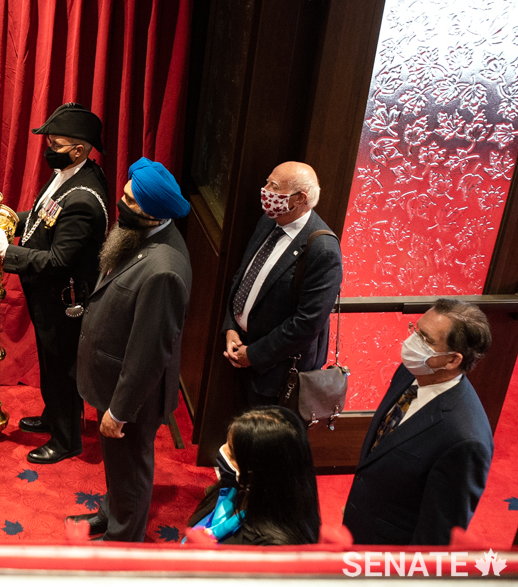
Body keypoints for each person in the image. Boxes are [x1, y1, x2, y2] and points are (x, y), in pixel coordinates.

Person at [68, 157, 191, 541]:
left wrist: (120, 411)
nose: (123, 205)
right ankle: (112, 512)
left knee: (131, 468)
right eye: (124, 195)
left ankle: (122, 542)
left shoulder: (164, 270)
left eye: (133, 202)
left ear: (155, 216)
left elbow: (149, 353)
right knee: (117, 465)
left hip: (132, 396)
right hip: (112, 380)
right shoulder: (141, 235)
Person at [0, 102, 110, 464]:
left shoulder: (83, 198)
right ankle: (55, 416)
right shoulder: (71, 174)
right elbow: (42, 218)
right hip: (49, 295)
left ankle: (67, 439)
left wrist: (7, 253)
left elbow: (57, 262)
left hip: (64, 299)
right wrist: (6, 222)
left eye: (56, 144)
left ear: (79, 149)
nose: (49, 150)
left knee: (62, 370)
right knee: (51, 365)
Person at [342, 299, 493, 546]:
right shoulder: (411, 371)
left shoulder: (464, 439)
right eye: (416, 329)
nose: (412, 342)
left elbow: (437, 537)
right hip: (361, 528)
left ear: (453, 360)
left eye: (426, 339)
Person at [222, 162, 343, 407]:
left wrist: (254, 355)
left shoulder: (323, 250)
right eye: (267, 182)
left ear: (299, 198)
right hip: (238, 350)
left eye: (273, 186)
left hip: (275, 374)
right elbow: (243, 277)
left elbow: (307, 323)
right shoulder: (269, 221)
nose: (264, 190)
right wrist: (231, 326)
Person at [186, 406, 321, 545]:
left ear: (259, 473)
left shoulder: (272, 548)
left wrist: (203, 558)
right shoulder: (236, 488)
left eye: (232, 453)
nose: (222, 451)